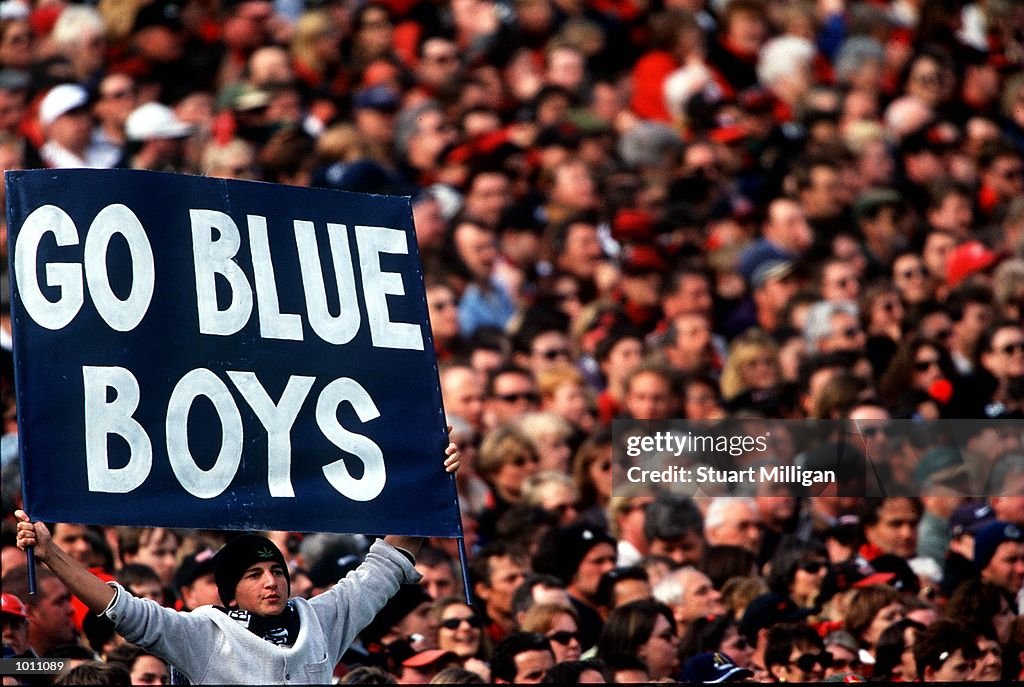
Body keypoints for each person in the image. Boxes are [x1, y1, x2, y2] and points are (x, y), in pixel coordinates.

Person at [14, 443, 459, 684]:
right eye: (254, 575)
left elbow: (386, 564)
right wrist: (51, 554)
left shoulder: (321, 620)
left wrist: (430, 483)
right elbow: (121, 608)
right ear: (227, 593)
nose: (272, 582)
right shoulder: (201, 634)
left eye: (278, 572)